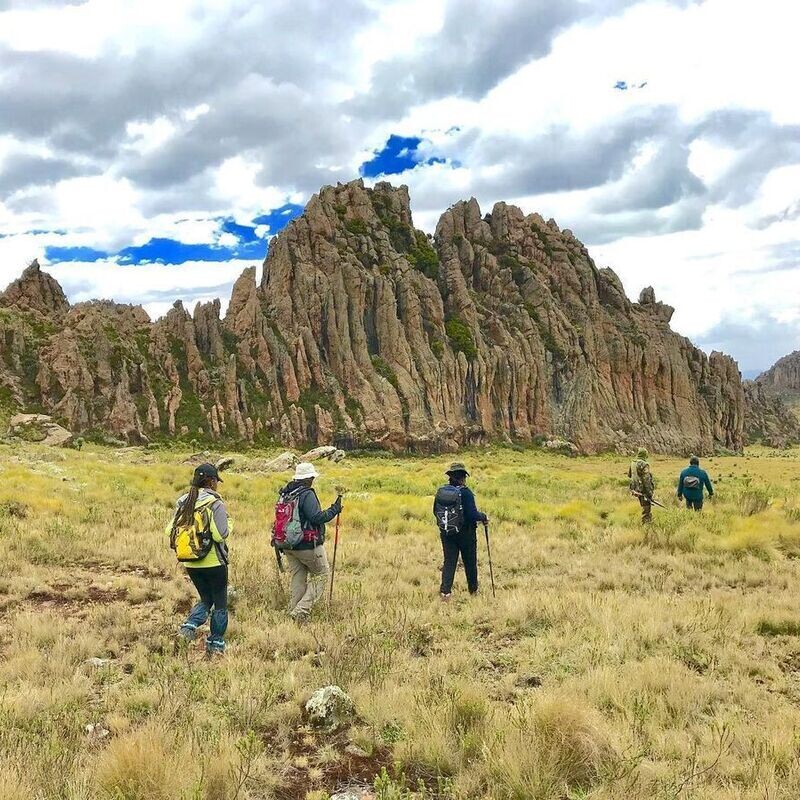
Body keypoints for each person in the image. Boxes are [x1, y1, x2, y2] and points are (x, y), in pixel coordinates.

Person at [168, 462, 231, 656]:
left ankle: (188, 628)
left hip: (190, 561)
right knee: (219, 603)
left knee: (205, 598)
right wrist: (230, 524)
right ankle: (216, 644)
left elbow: (169, 531)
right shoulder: (215, 503)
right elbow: (221, 534)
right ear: (211, 482)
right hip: (213, 561)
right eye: (216, 481)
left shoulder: (183, 502)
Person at [277, 462, 342, 622]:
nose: (313, 479)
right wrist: (334, 509)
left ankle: (293, 612)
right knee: (322, 574)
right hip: (307, 544)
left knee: (298, 577)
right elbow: (317, 517)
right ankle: (300, 610)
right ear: (308, 478)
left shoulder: (286, 493)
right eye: (312, 477)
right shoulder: (307, 494)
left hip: (288, 544)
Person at [433, 462, 488, 600]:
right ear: (463, 477)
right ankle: (473, 590)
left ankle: (445, 592)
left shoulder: (442, 492)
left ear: (450, 476)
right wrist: (483, 517)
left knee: (449, 561)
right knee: (470, 562)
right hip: (466, 533)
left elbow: (435, 511)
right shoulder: (466, 493)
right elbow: (472, 515)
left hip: (447, 532)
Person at [629, 447, 655, 524]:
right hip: (643, 491)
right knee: (646, 510)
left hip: (635, 489)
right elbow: (646, 481)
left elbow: (629, 475)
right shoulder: (644, 464)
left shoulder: (633, 463)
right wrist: (649, 493)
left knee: (643, 506)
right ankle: (646, 527)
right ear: (645, 455)